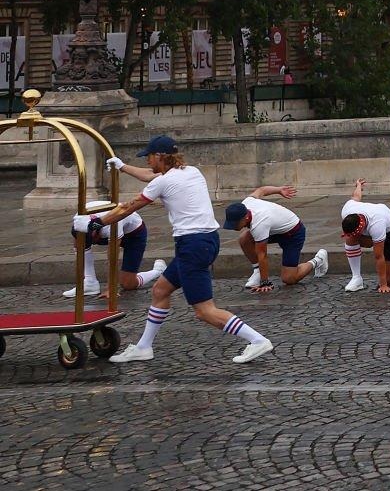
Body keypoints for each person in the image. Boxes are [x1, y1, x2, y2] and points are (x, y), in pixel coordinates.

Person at [94, 134, 274, 364]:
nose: (147, 160)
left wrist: (97, 222)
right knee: (160, 290)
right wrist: (123, 167)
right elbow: (152, 176)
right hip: (205, 241)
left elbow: (129, 207)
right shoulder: (191, 171)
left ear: (160, 156)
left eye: (149, 156)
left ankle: (257, 340)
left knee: (204, 311)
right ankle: (143, 347)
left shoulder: (163, 181)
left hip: (193, 246)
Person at [224, 185, 328, 292]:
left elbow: (262, 254)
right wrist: (279, 190)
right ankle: (257, 272)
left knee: (289, 278)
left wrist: (265, 283)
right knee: (244, 239)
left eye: (235, 224)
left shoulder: (259, 223)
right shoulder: (247, 203)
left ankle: (318, 260)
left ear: (245, 217)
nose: (233, 227)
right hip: (276, 230)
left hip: (293, 234)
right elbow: (261, 190)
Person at [60, 200, 167, 300]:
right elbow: (80, 239)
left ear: (95, 233)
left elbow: (112, 258)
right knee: (79, 243)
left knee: (128, 284)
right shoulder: (79, 221)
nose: (93, 243)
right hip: (97, 226)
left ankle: (158, 270)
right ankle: (90, 283)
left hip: (134, 234)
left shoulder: (112, 224)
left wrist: (110, 289)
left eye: (93, 240)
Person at [340, 178, 390, 293]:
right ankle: (356, 278)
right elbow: (356, 197)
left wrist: (383, 285)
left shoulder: (376, 224)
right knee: (350, 238)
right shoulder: (347, 209)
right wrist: (358, 186)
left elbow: (379, 256)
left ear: (362, 227)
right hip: (374, 231)